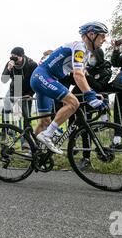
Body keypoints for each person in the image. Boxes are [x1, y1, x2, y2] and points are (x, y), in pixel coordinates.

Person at [30, 22, 109, 154]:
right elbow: (78, 74)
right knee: (73, 103)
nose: (104, 39)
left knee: (45, 121)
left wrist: (92, 93)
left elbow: (81, 75)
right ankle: (47, 135)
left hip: (44, 78)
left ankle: (33, 153)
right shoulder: (80, 47)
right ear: (91, 35)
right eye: (102, 36)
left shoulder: (87, 53)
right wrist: (89, 96)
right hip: (42, 76)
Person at [1, 47, 38, 132]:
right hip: (15, 87)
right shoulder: (10, 64)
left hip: (26, 90)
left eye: (15, 57)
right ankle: (5, 132)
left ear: (21, 56)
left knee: (27, 116)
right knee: (5, 110)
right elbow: (3, 80)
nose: (12, 59)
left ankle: (27, 138)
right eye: (11, 56)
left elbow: (36, 80)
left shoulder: (31, 64)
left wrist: (31, 93)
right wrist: (8, 68)